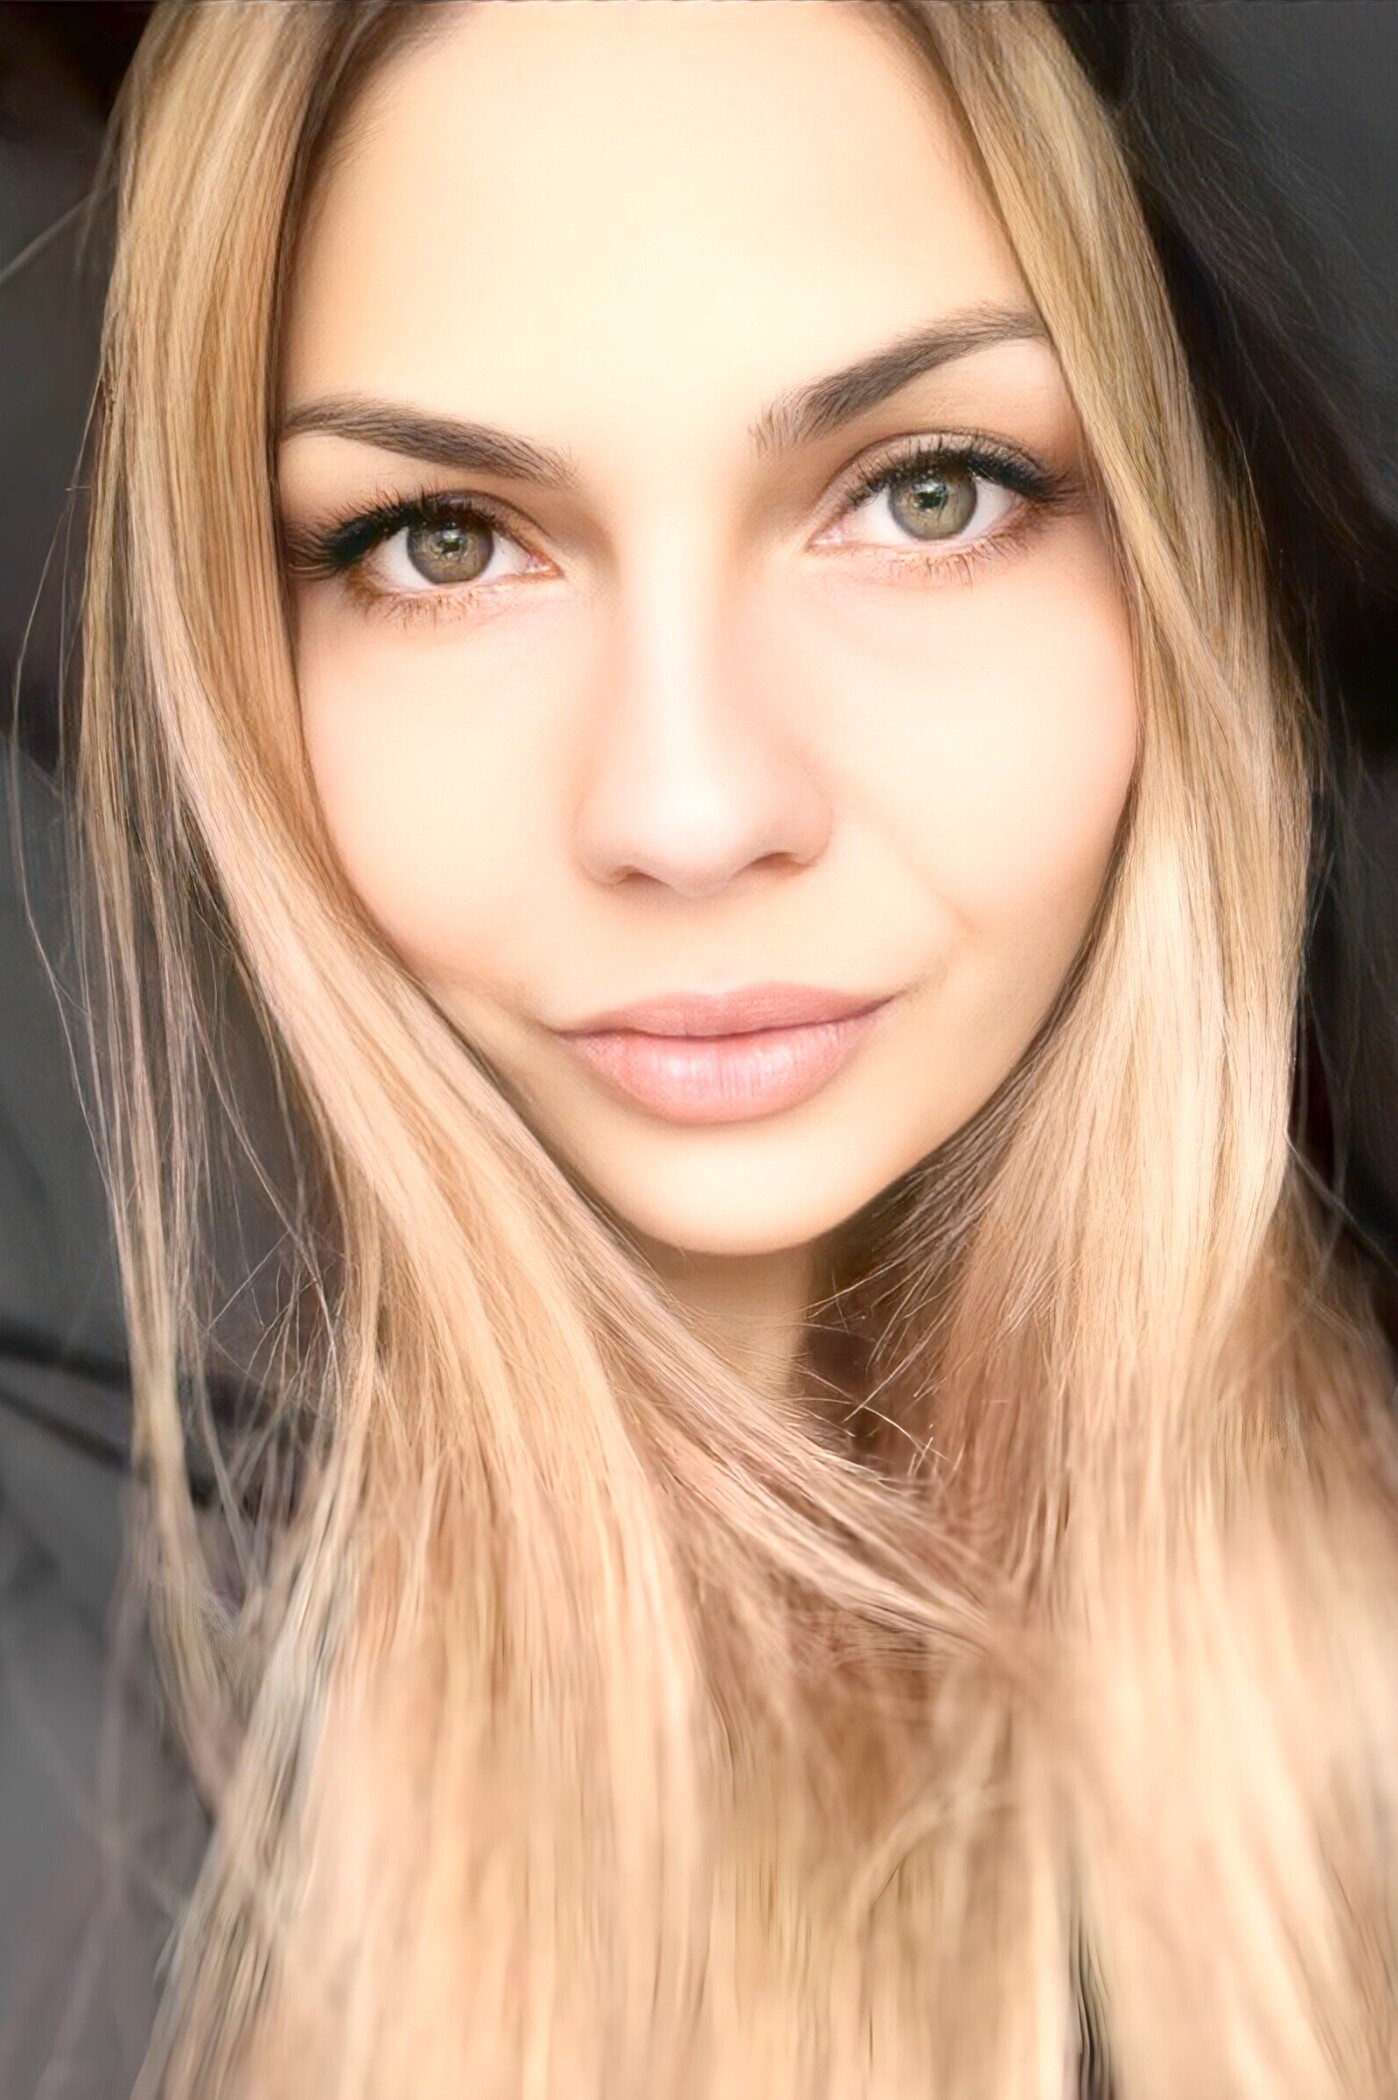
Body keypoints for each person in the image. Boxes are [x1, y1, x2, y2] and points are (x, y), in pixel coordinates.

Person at [14, 0, 1398, 2093]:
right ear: (228, 644)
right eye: (443, 541)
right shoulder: (82, 1783)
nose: (684, 808)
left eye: (927, 493)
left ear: (1192, 561)